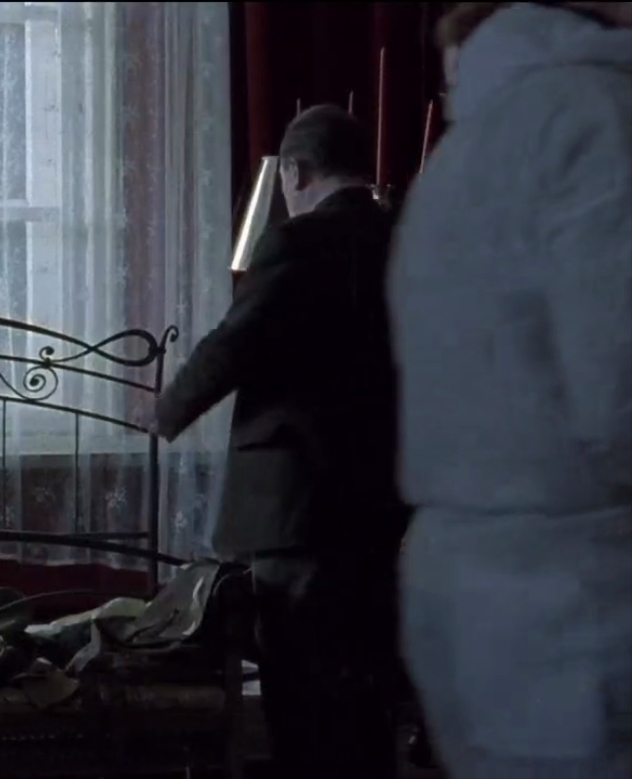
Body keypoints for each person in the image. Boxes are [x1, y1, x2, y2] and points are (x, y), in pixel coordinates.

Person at [388, 4, 632, 778]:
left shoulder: (457, 160)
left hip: (472, 598)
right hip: (580, 602)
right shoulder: (600, 119)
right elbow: (620, 395)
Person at [147, 105, 409, 777]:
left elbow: (237, 340)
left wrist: (167, 410)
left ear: (294, 171)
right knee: (369, 684)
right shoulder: (407, 240)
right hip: (389, 498)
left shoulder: (297, 243)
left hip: (301, 506)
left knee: (303, 690)